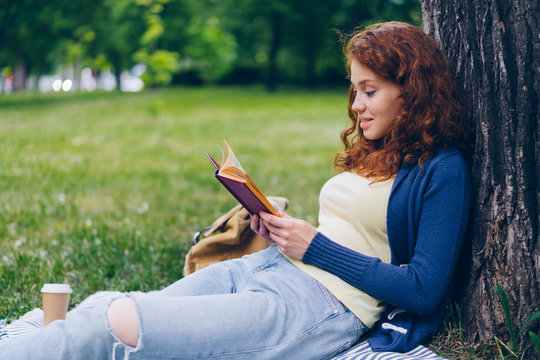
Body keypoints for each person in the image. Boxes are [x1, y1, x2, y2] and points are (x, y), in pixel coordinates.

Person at [0, 21, 472, 359]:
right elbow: (346, 230)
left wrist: (316, 247)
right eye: (353, 90)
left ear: (411, 89)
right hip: (263, 268)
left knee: (116, 323)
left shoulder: (443, 169)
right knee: (103, 308)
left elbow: (424, 289)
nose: (356, 105)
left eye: (369, 91)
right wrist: (277, 230)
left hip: (318, 306)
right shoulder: (376, 149)